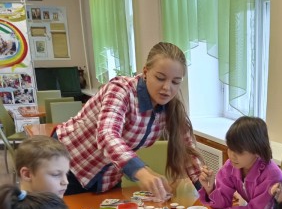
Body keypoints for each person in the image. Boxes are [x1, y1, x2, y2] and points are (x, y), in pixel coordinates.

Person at [55, 42, 203, 199]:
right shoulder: (121, 89)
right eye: (160, 78)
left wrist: (206, 187)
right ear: (145, 72)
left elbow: (188, 150)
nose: (167, 87)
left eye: (175, 82)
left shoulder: (171, 107)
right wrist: (141, 171)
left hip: (106, 177)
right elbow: (107, 134)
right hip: (67, 165)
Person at [198, 116, 282, 209]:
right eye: (230, 148)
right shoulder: (230, 167)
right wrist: (210, 189)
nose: (232, 155)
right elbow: (222, 206)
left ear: (257, 151)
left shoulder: (272, 175)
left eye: (239, 151)